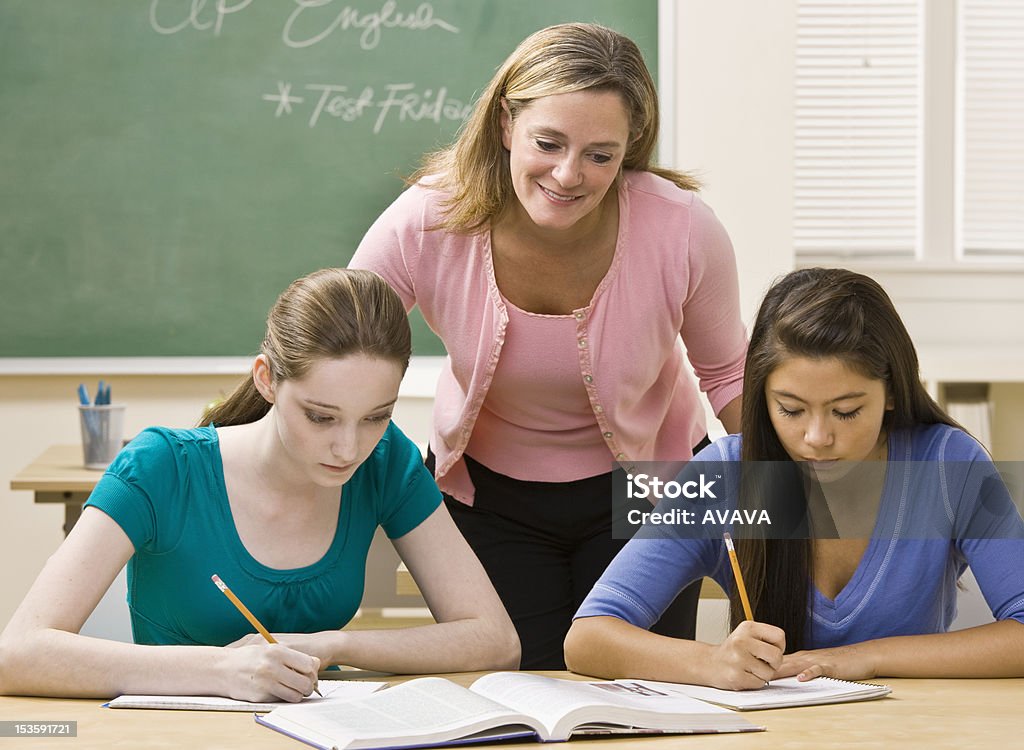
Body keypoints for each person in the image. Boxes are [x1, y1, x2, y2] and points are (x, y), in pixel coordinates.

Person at [350, 22, 746, 669]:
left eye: (600, 153)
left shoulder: (683, 229)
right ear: (507, 123)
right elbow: (340, 339)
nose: (568, 174)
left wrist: (788, 513)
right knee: (518, 693)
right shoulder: (430, 216)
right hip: (487, 496)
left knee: (642, 698)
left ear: (630, 148)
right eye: (549, 142)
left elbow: (730, 377)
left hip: (653, 491)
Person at [0, 268, 519, 701]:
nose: (349, 449)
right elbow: (18, 653)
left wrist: (333, 646)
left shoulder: (385, 461)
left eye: (375, 416)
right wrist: (224, 674)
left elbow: (495, 640)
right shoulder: (161, 467)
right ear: (267, 378)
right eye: (320, 417)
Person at [565, 267, 1024, 686]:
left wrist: (861, 659)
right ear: (763, 399)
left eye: (846, 411)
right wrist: (709, 663)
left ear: (891, 393)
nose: (816, 437)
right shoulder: (723, 475)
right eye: (791, 409)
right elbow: (587, 639)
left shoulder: (949, 466)